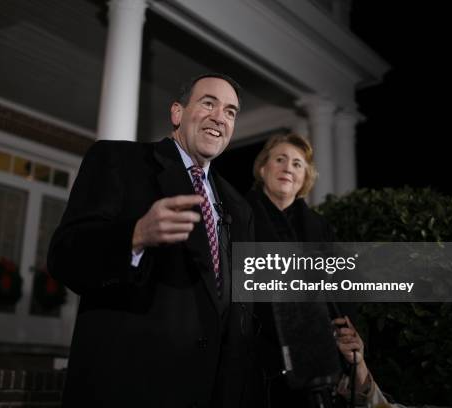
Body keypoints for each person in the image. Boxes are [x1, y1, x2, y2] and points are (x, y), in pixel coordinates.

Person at [47, 73, 256, 408]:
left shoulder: (238, 206)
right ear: (177, 113)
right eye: (208, 103)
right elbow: (64, 257)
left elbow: (237, 304)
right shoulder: (118, 161)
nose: (220, 116)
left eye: (230, 111)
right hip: (128, 387)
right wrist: (135, 236)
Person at [247, 133, 400, 408]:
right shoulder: (241, 215)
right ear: (263, 168)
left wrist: (346, 333)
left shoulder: (320, 227)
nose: (287, 168)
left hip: (317, 360)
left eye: (297, 164)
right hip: (258, 358)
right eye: (280, 160)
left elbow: (342, 288)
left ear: (305, 177)